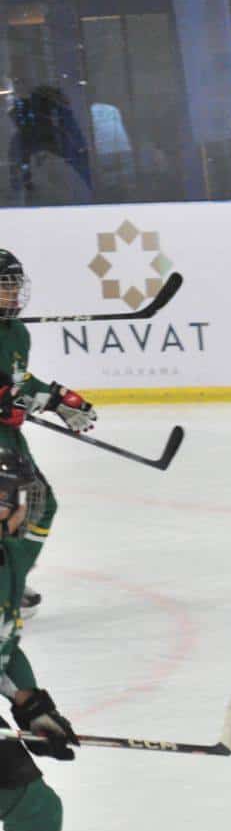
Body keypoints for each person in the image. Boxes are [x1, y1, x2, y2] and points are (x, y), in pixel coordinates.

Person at [0, 448, 102, 831]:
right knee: (29, 803)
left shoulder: (9, 557)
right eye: (13, 498)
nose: (24, 508)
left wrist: (31, 704)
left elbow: (4, 647)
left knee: (31, 803)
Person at [0, 249, 97, 618]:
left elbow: (18, 383)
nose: (13, 292)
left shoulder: (16, 332)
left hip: (8, 439)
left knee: (39, 506)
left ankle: (12, 578)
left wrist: (59, 399)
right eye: (4, 285)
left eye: (15, 284)